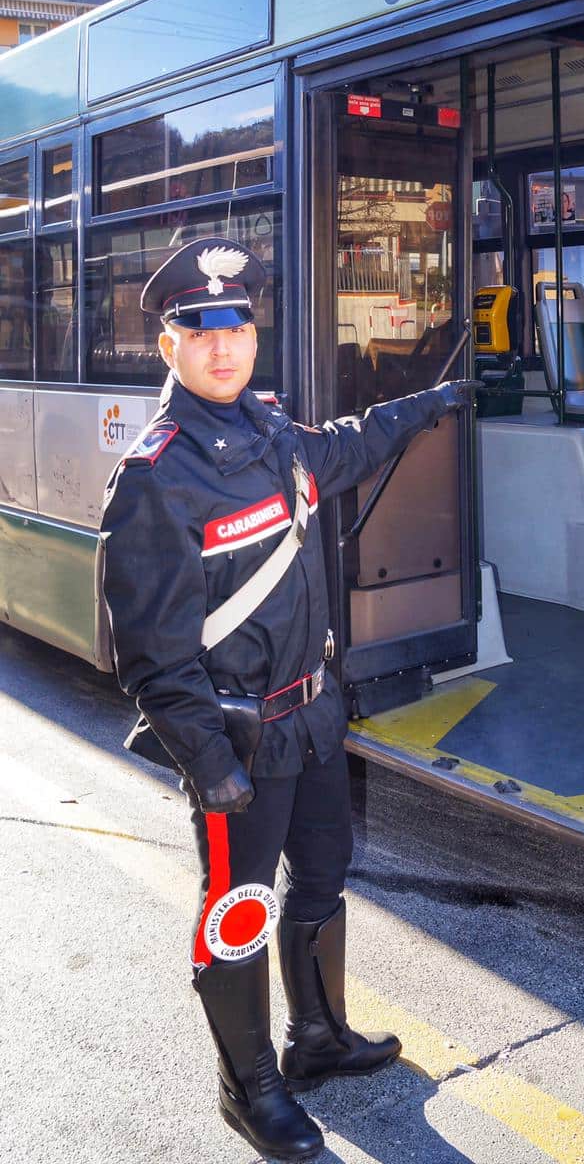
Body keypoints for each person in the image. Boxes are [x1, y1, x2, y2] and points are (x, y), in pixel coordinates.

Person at [98, 237, 471, 1161]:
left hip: (312, 713)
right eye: (200, 330)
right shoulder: (157, 475)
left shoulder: (269, 431)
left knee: (324, 875)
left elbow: (348, 448)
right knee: (238, 910)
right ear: (169, 346)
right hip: (240, 736)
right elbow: (149, 650)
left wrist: (431, 404)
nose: (224, 347)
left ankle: (318, 1039)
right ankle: (249, 1089)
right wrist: (209, 763)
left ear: (253, 336)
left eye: (237, 327)